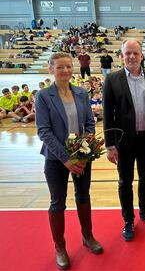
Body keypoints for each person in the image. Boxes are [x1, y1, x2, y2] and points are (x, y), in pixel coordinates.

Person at [35, 52, 103, 270]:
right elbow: (44, 131)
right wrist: (65, 158)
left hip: (82, 156)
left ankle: (87, 236)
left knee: (83, 196)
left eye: (68, 67)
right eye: (60, 67)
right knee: (58, 202)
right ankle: (60, 246)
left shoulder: (82, 93)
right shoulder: (44, 96)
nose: (65, 71)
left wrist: (85, 148)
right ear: (50, 69)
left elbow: (89, 123)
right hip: (56, 159)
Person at [102, 39, 145, 242]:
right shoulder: (112, 79)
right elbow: (107, 114)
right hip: (124, 141)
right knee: (125, 181)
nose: (131, 57)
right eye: (127, 53)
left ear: (142, 56)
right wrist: (110, 145)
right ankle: (128, 219)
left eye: (135, 53)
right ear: (121, 56)